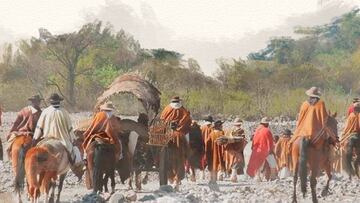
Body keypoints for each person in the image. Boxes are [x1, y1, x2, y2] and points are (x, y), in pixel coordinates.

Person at [33, 93, 81, 165]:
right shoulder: (64, 112)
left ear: (50, 102)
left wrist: (35, 138)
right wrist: (73, 139)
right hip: (63, 140)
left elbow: (39, 127)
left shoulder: (45, 112)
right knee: (75, 152)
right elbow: (70, 129)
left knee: (34, 153)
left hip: (47, 138)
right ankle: (77, 166)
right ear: (59, 101)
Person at [160, 96, 192, 188]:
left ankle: (170, 176)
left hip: (167, 133)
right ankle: (187, 153)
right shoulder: (183, 109)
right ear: (179, 101)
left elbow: (161, 120)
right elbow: (188, 121)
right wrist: (180, 128)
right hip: (180, 133)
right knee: (186, 145)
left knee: (164, 154)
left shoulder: (167, 109)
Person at [338, 102, 360, 172]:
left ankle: (347, 166)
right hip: (358, 135)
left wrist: (343, 135)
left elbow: (346, 127)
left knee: (344, 147)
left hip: (350, 135)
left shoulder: (351, 116)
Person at [223, 118, 247, 182]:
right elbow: (242, 140)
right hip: (237, 150)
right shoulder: (241, 131)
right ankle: (233, 177)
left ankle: (233, 176)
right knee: (236, 162)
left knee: (233, 162)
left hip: (230, 149)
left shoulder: (230, 130)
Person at [206, 120, 225, 184]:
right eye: (221, 125)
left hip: (212, 152)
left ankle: (213, 178)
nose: (222, 126)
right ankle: (219, 175)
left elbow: (207, 143)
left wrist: (208, 151)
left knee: (213, 164)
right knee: (219, 163)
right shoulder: (221, 133)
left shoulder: (211, 134)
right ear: (219, 126)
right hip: (220, 152)